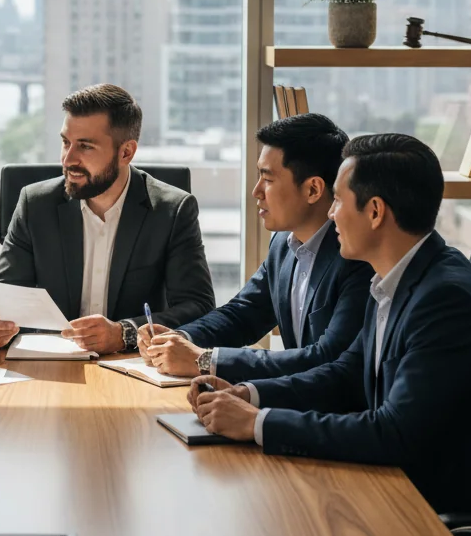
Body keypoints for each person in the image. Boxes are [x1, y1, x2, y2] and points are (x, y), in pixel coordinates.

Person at [190, 133, 471, 515]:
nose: (331, 214)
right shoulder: (394, 278)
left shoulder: (445, 299)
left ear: (375, 212)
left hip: (451, 519)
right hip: (401, 489)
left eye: (338, 200)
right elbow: (345, 373)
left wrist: (258, 424)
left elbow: (394, 432)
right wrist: (249, 394)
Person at [0, 84, 214, 355]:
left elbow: (199, 306)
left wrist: (123, 332)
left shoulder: (172, 210)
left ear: (126, 152)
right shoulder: (36, 204)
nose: (68, 159)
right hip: (48, 367)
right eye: (66, 142)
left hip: (131, 367)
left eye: (85, 147)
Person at [138, 114, 369, 381]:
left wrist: (205, 361)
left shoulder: (355, 257)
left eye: (267, 179)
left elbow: (326, 358)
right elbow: (243, 314)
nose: (256, 191)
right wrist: (180, 337)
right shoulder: (284, 243)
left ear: (313, 189)